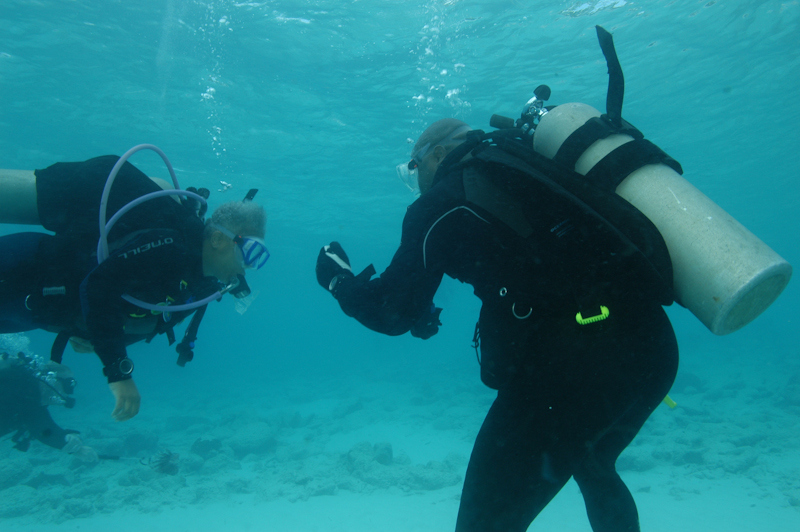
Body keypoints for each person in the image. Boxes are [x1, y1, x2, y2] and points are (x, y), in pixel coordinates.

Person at [315, 118, 678, 531]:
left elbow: (391, 312)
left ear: (437, 154)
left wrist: (338, 280)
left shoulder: (440, 203)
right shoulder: (520, 162)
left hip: (576, 368)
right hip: (650, 345)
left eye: (413, 168)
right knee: (593, 462)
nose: (414, 183)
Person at [0, 155, 268, 422]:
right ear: (218, 239)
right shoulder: (170, 246)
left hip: (36, 312)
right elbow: (98, 285)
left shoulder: (201, 288)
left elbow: (154, 320)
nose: (247, 269)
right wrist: (118, 372)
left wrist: (100, 340)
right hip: (27, 267)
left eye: (258, 259)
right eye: (249, 253)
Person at [0, 347, 98, 462]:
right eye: (68, 385)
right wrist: (69, 444)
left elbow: (38, 423)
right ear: (53, 380)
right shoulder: (26, 388)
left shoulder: (26, 387)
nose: (67, 394)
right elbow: (39, 425)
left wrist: (67, 442)